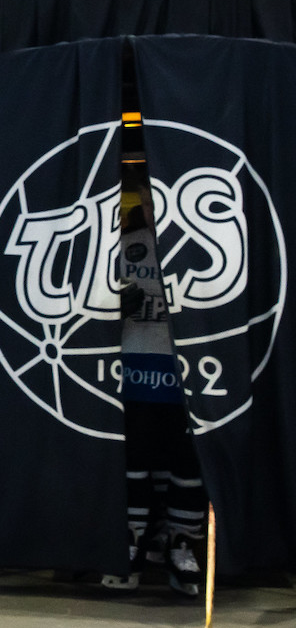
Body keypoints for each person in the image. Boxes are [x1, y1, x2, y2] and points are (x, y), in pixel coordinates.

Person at [101, 164, 206, 596]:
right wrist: (111, 302)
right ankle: (132, 542)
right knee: (135, 459)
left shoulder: (203, 243)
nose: (151, 206)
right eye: (146, 199)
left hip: (187, 375)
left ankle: (182, 543)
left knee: (188, 463)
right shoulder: (120, 245)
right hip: (133, 372)